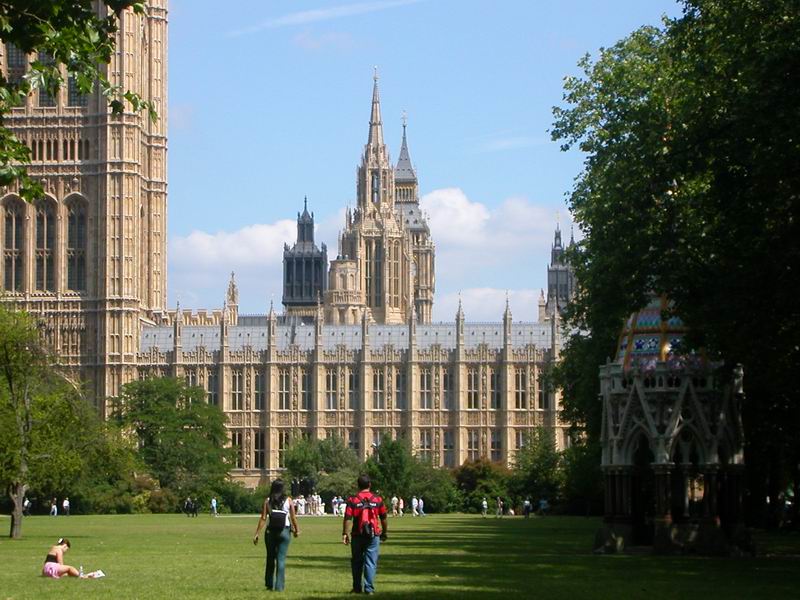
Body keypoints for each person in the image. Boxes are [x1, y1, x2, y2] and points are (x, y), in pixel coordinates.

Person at [343, 474, 388, 595]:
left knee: (356, 562)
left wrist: (345, 533)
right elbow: (383, 517)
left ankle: (357, 588)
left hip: (357, 534)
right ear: (370, 485)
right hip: (373, 535)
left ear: (358, 485)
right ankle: (369, 589)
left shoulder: (353, 500)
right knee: (370, 562)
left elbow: (347, 518)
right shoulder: (377, 499)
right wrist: (384, 532)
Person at [253, 479, 300, 592]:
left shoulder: (267, 501)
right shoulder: (288, 500)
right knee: (281, 559)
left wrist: (257, 533)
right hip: (284, 530)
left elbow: (263, 518)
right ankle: (279, 587)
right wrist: (297, 530)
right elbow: (293, 517)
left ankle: (269, 584)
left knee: (270, 558)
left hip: (270, 531)